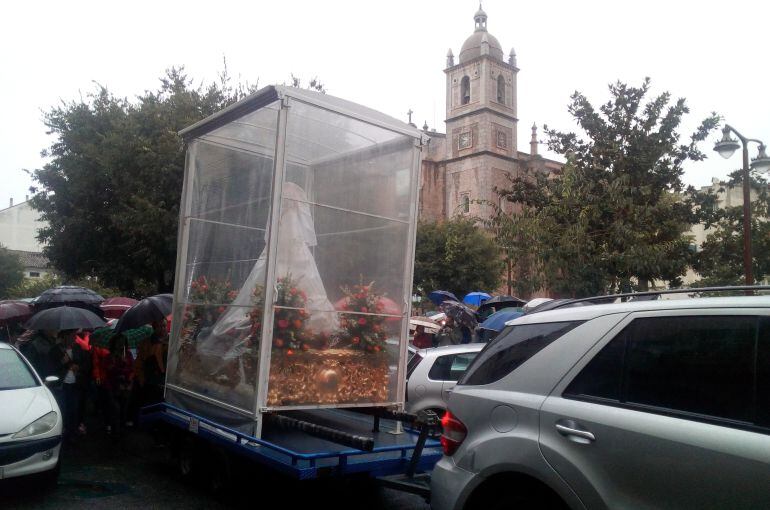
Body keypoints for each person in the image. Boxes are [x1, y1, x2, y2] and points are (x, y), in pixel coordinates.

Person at [49, 330, 79, 441]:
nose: (75, 338)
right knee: (63, 411)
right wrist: (62, 362)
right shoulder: (55, 350)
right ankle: (62, 434)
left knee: (74, 410)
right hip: (61, 386)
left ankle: (72, 433)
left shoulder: (77, 349)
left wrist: (77, 368)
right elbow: (50, 369)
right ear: (66, 336)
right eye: (73, 336)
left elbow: (83, 363)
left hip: (74, 385)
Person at [105, 333, 134, 440]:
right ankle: (115, 432)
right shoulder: (110, 356)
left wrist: (128, 378)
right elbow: (109, 370)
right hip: (113, 387)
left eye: (123, 343)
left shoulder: (129, 355)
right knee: (115, 410)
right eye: (119, 344)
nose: (121, 346)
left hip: (126, 387)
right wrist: (120, 366)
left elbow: (132, 369)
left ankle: (121, 431)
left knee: (123, 410)